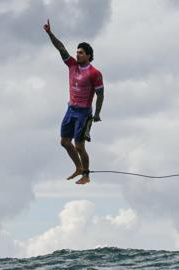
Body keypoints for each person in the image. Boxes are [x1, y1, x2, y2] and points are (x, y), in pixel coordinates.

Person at [43, 19, 104, 185]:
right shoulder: (72, 65)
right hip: (70, 109)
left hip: (84, 113)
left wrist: (97, 114)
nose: (77, 55)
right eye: (77, 52)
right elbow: (61, 48)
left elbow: (100, 94)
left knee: (79, 146)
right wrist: (50, 33)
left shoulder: (94, 73)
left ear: (89, 55)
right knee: (64, 142)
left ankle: (86, 174)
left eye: (81, 53)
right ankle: (78, 167)